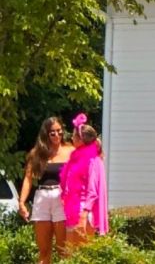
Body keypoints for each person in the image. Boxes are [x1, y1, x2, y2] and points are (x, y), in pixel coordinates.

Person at [18, 117, 74, 264]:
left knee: (63, 249)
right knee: (43, 250)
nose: (57, 135)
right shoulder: (38, 153)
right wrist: (22, 202)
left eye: (59, 132)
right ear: (45, 134)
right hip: (42, 197)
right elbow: (28, 178)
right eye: (52, 133)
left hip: (61, 197)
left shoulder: (70, 150)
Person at [59, 113, 108, 252]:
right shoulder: (76, 159)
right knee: (70, 254)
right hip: (73, 209)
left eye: (74, 136)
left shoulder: (92, 160)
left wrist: (84, 215)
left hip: (83, 212)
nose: (72, 138)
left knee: (82, 254)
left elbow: (93, 191)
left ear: (81, 140)